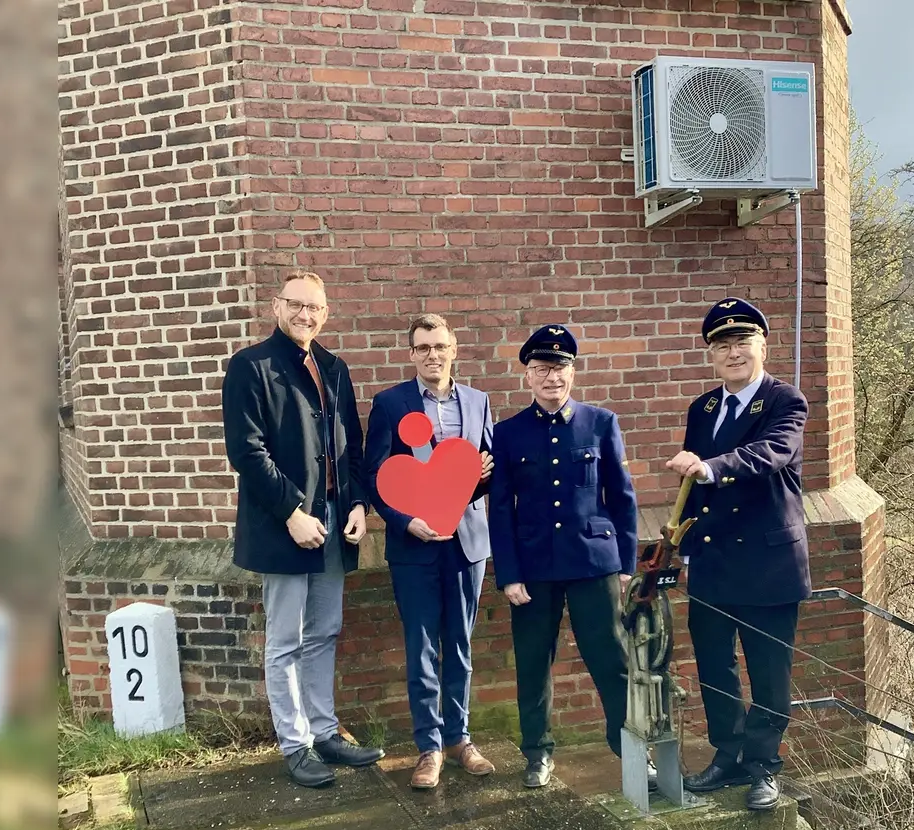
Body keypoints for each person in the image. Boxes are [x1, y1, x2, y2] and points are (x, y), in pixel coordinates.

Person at [221, 269, 383, 789]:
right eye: (295, 305)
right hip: (284, 524)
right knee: (285, 639)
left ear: (325, 314)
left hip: (336, 522)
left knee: (324, 632)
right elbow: (246, 453)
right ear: (276, 307)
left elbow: (351, 447)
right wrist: (292, 511)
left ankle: (325, 731)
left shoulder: (335, 367)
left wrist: (359, 503)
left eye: (314, 308)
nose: (304, 315)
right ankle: (295, 745)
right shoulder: (251, 367)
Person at [665, 297, 810, 812]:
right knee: (715, 667)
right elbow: (696, 493)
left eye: (742, 343)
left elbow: (770, 454)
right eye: (722, 345)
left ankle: (764, 766)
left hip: (768, 564)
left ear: (762, 346)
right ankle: (726, 756)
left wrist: (710, 467)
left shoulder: (784, 401)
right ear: (711, 354)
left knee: (769, 670)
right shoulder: (702, 409)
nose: (733, 353)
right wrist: (680, 549)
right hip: (712, 562)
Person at [488, 324, 644, 789]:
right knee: (533, 663)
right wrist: (509, 574)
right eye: (541, 369)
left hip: (593, 564)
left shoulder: (601, 423)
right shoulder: (509, 433)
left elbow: (623, 497)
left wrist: (626, 563)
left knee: (612, 661)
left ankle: (632, 751)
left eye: (559, 368)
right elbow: (500, 510)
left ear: (572, 373)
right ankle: (537, 752)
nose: (551, 378)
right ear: (527, 377)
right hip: (533, 570)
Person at [364, 313, 499, 789]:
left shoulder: (480, 402)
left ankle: (461, 739)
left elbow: (487, 471)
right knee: (421, 647)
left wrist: (485, 475)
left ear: (454, 349)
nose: (432, 355)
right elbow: (376, 479)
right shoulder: (390, 404)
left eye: (440, 346)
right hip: (414, 544)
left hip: (467, 544)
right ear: (411, 354)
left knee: (460, 643)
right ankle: (429, 747)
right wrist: (406, 522)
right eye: (422, 347)